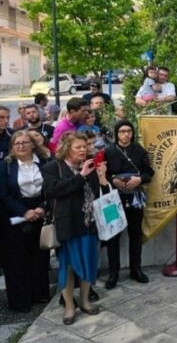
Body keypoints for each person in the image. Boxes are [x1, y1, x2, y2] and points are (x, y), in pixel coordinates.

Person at [42, 132, 109, 325]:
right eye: (78, 147)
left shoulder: (90, 164)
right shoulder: (52, 167)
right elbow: (55, 191)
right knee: (68, 267)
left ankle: (85, 300)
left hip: (88, 224)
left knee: (88, 264)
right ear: (66, 148)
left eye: (85, 147)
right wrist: (81, 176)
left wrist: (101, 177)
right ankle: (70, 306)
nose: (83, 150)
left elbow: (97, 194)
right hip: (67, 225)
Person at [0, 131, 51, 312]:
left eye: (25, 142)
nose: (21, 146)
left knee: (39, 257)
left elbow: (51, 189)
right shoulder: (5, 166)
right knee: (16, 260)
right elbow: (3, 195)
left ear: (32, 145)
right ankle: (21, 300)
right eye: (17, 143)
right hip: (15, 216)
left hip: (39, 212)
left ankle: (39, 293)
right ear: (12, 147)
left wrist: (42, 207)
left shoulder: (44, 163)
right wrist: (24, 211)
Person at [103, 120, 154, 289]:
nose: (126, 134)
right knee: (113, 236)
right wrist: (113, 180)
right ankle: (113, 273)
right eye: (122, 131)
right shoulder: (108, 151)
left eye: (129, 131)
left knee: (135, 233)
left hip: (134, 197)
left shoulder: (138, 150)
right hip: (112, 199)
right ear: (116, 133)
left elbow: (149, 172)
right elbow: (102, 174)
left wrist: (139, 179)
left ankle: (136, 269)